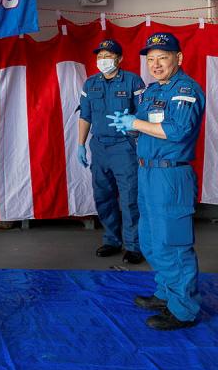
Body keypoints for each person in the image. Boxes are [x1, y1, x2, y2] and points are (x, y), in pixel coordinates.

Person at [108, 32, 205, 330]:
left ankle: (184, 310)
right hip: (147, 171)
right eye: (150, 59)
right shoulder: (152, 91)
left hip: (170, 175)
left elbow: (177, 131)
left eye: (163, 57)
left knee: (172, 242)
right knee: (150, 239)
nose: (156, 64)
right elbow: (146, 127)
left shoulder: (185, 89)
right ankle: (166, 294)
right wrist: (132, 127)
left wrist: (135, 123)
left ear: (179, 58)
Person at [78, 39, 146, 264]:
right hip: (99, 147)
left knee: (129, 198)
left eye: (108, 56)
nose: (103, 60)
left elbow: (143, 116)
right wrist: (80, 145)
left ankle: (134, 245)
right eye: (100, 56)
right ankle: (111, 240)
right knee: (103, 196)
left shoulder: (133, 81)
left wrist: (135, 132)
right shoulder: (90, 84)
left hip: (124, 147)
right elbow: (85, 116)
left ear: (119, 59)